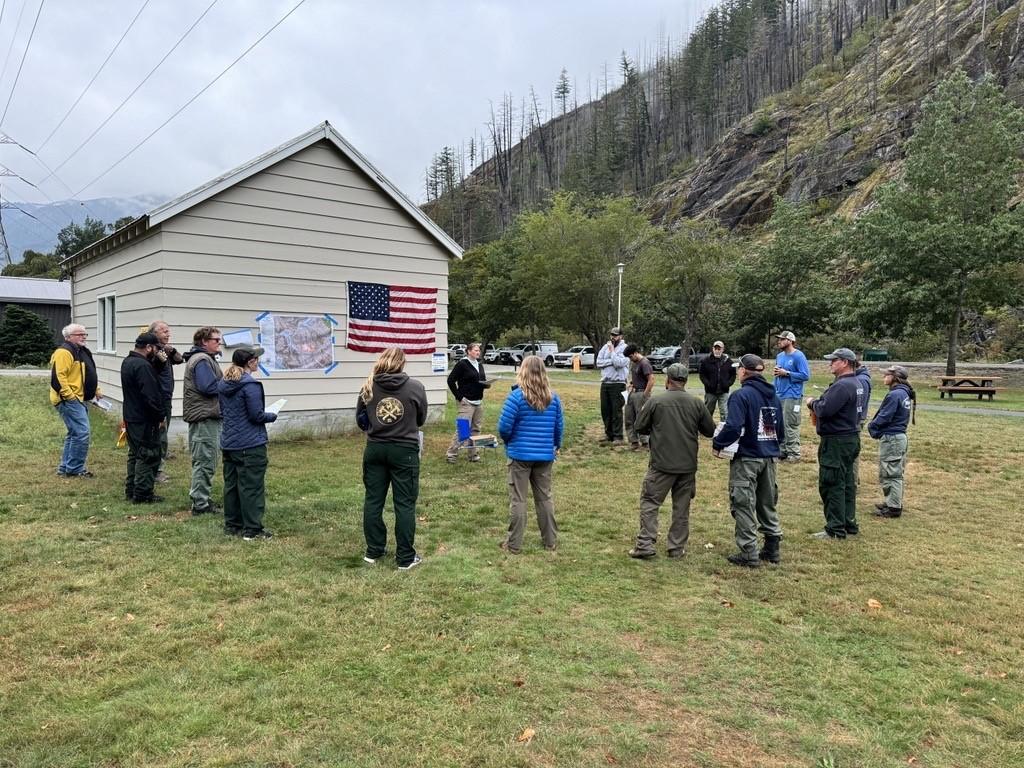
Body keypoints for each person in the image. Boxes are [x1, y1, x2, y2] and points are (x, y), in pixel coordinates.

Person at [628, 363, 716, 560]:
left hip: (661, 464)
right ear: (685, 381)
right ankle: (676, 548)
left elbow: (640, 426)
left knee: (650, 502)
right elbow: (710, 431)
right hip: (687, 465)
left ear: (668, 380)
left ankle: (645, 544)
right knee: (681, 507)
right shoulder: (696, 403)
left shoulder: (656, 402)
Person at [356, 347, 428, 569]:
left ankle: (373, 551)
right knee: (404, 504)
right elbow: (421, 418)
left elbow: (361, 420)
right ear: (402, 363)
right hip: (404, 451)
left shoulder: (368, 385)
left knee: (373, 501)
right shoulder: (415, 387)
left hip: (375, 449)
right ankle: (405, 558)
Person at [712, 354, 785, 567]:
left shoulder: (741, 395)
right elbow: (779, 432)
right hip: (769, 457)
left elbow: (733, 426)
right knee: (767, 503)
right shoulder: (773, 396)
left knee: (743, 504)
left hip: (747, 458)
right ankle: (772, 547)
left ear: (743, 371)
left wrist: (718, 443)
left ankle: (749, 552)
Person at [497, 356, 564, 553]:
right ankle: (550, 541)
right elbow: (558, 427)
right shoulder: (553, 398)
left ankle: (514, 544)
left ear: (523, 371)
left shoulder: (516, 398)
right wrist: (555, 445)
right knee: (544, 498)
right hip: (544, 455)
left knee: (518, 499)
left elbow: (504, 427)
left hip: (520, 455)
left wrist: (510, 441)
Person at [218, 345, 278, 540]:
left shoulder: (224, 383)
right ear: (250, 362)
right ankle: (252, 529)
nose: (257, 362)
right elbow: (256, 415)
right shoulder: (250, 385)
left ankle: (233, 524)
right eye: (256, 359)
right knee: (252, 486)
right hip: (250, 443)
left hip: (229, 442)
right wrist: (272, 415)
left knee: (232, 485)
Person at [806, 347, 864, 540]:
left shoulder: (842, 385)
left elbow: (825, 410)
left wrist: (812, 402)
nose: (830, 363)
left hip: (836, 441)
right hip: (850, 437)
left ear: (845, 362)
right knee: (847, 482)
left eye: (834, 360)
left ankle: (835, 528)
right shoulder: (858, 382)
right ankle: (849, 523)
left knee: (832, 483)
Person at [48, 323, 100, 478]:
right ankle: (75, 469)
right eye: (79, 334)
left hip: (79, 397)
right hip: (69, 399)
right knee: (82, 433)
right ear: (68, 337)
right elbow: (58, 378)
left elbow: (89, 373)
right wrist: (70, 396)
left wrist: (96, 390)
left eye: (85, 334)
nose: (83, 336)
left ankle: (65, 468)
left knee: (74, 433)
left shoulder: (82, 351)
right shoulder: (64, 352)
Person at [182, 327, 224, 515]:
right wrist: (229, 384)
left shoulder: (204, 359)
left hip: (207, 415)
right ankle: (200, 504)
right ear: (204, 342)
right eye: (216, 340)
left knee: (206, 459)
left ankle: (202, 498)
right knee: (205, 460)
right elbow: (207, 387)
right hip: (204, 417)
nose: (219, 343)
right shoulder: (201, 360)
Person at [121, 332, 166, 504]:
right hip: (145, 418)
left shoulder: (129, 361)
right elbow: (151, 396)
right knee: (148, 454)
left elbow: (156, 368)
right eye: (156, 348)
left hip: (132, 415)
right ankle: (143, 494)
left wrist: (161, 359)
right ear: (148, 347)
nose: (157, 351)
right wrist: (159, 415)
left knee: (136, 453)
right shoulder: (143, 366)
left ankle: (131, 489)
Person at [868, 365, 915, 519]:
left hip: (892, 438)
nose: (884, 377)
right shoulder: (903, 393)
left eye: (886, 375)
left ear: (894, 377)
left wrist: (872, 426)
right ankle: (891, 502)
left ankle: (894, 507)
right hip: (899, 437)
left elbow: (885, 416)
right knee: (893, 471)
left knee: (891, 473)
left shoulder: (895, 395)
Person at [148, 320, 184, 483]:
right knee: (159, 434)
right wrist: (160, 353)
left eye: (168, 331)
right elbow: (154, 366)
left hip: (166, 398)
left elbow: (179, 359)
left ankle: (159, 460)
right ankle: (157, 470)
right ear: (154, 334)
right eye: (163, 331)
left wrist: (172, 350)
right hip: (158, 398)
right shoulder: (152, 350)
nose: (167, 334)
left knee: (163, 432)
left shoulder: (165, 350)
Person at [445, 342, 490, 463]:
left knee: (476, 429)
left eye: (479, 350)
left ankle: (473, 454)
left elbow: (480, 381)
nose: (478, 352)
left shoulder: (479, 365)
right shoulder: (462, 364)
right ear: (469, 351)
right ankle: (451, 454)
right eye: (475, 350)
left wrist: (486, 385)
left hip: (478, 401)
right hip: (466, 401)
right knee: (463, 428)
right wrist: (459, 397)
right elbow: (450, 380)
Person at [773, 331, 810, 462]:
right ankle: (782, 451)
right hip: (779, 394)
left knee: (790, 424)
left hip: (792, 395)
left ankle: (794, 453)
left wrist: (787, 373)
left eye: (782, 339)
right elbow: (777, 375)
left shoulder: (799, 356)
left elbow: (805, 375)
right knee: (779, 424)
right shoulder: (779, 356)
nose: (779, 341)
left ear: (790, 341)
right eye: (779, 339)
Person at [596, 327, 629, 445]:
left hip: (618, 384)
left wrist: (612, 353)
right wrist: (611, 360)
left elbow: (620, 363)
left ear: (621, 336)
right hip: (605, 383)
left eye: (615, 335)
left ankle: (618, 436)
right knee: (605, 410)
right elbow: (598, 362)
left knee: (616, 410)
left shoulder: (625, 349)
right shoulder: (605, 347)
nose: (613, 337)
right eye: (612, 335)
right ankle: (608, 434)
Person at [623, 344, 654, 450]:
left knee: (641, 418)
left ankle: (645, 442)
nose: (630, 359)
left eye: (631, 357)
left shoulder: (644, 363)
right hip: (632, 393)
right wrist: (631, 383)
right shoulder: (634, 363)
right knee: (629, 417)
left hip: (641, 393)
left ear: (636, 353)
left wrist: (645, 394)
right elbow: (637, 377)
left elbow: (651, 379)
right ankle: (633, 441)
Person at [699, 340, 736, 421]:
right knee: (708, 411)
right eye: (715, 348)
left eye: (719, 349)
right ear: (713, 349)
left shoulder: (728, 361)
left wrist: (728, 383)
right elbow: (702, 375)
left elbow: (733, 375)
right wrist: (707, 384)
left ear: (723, 349)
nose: (717, 350)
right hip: (710, 392)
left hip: (724, 391)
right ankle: (706, 428)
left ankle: (724, 428)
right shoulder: (706, 361)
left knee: (724, 411)